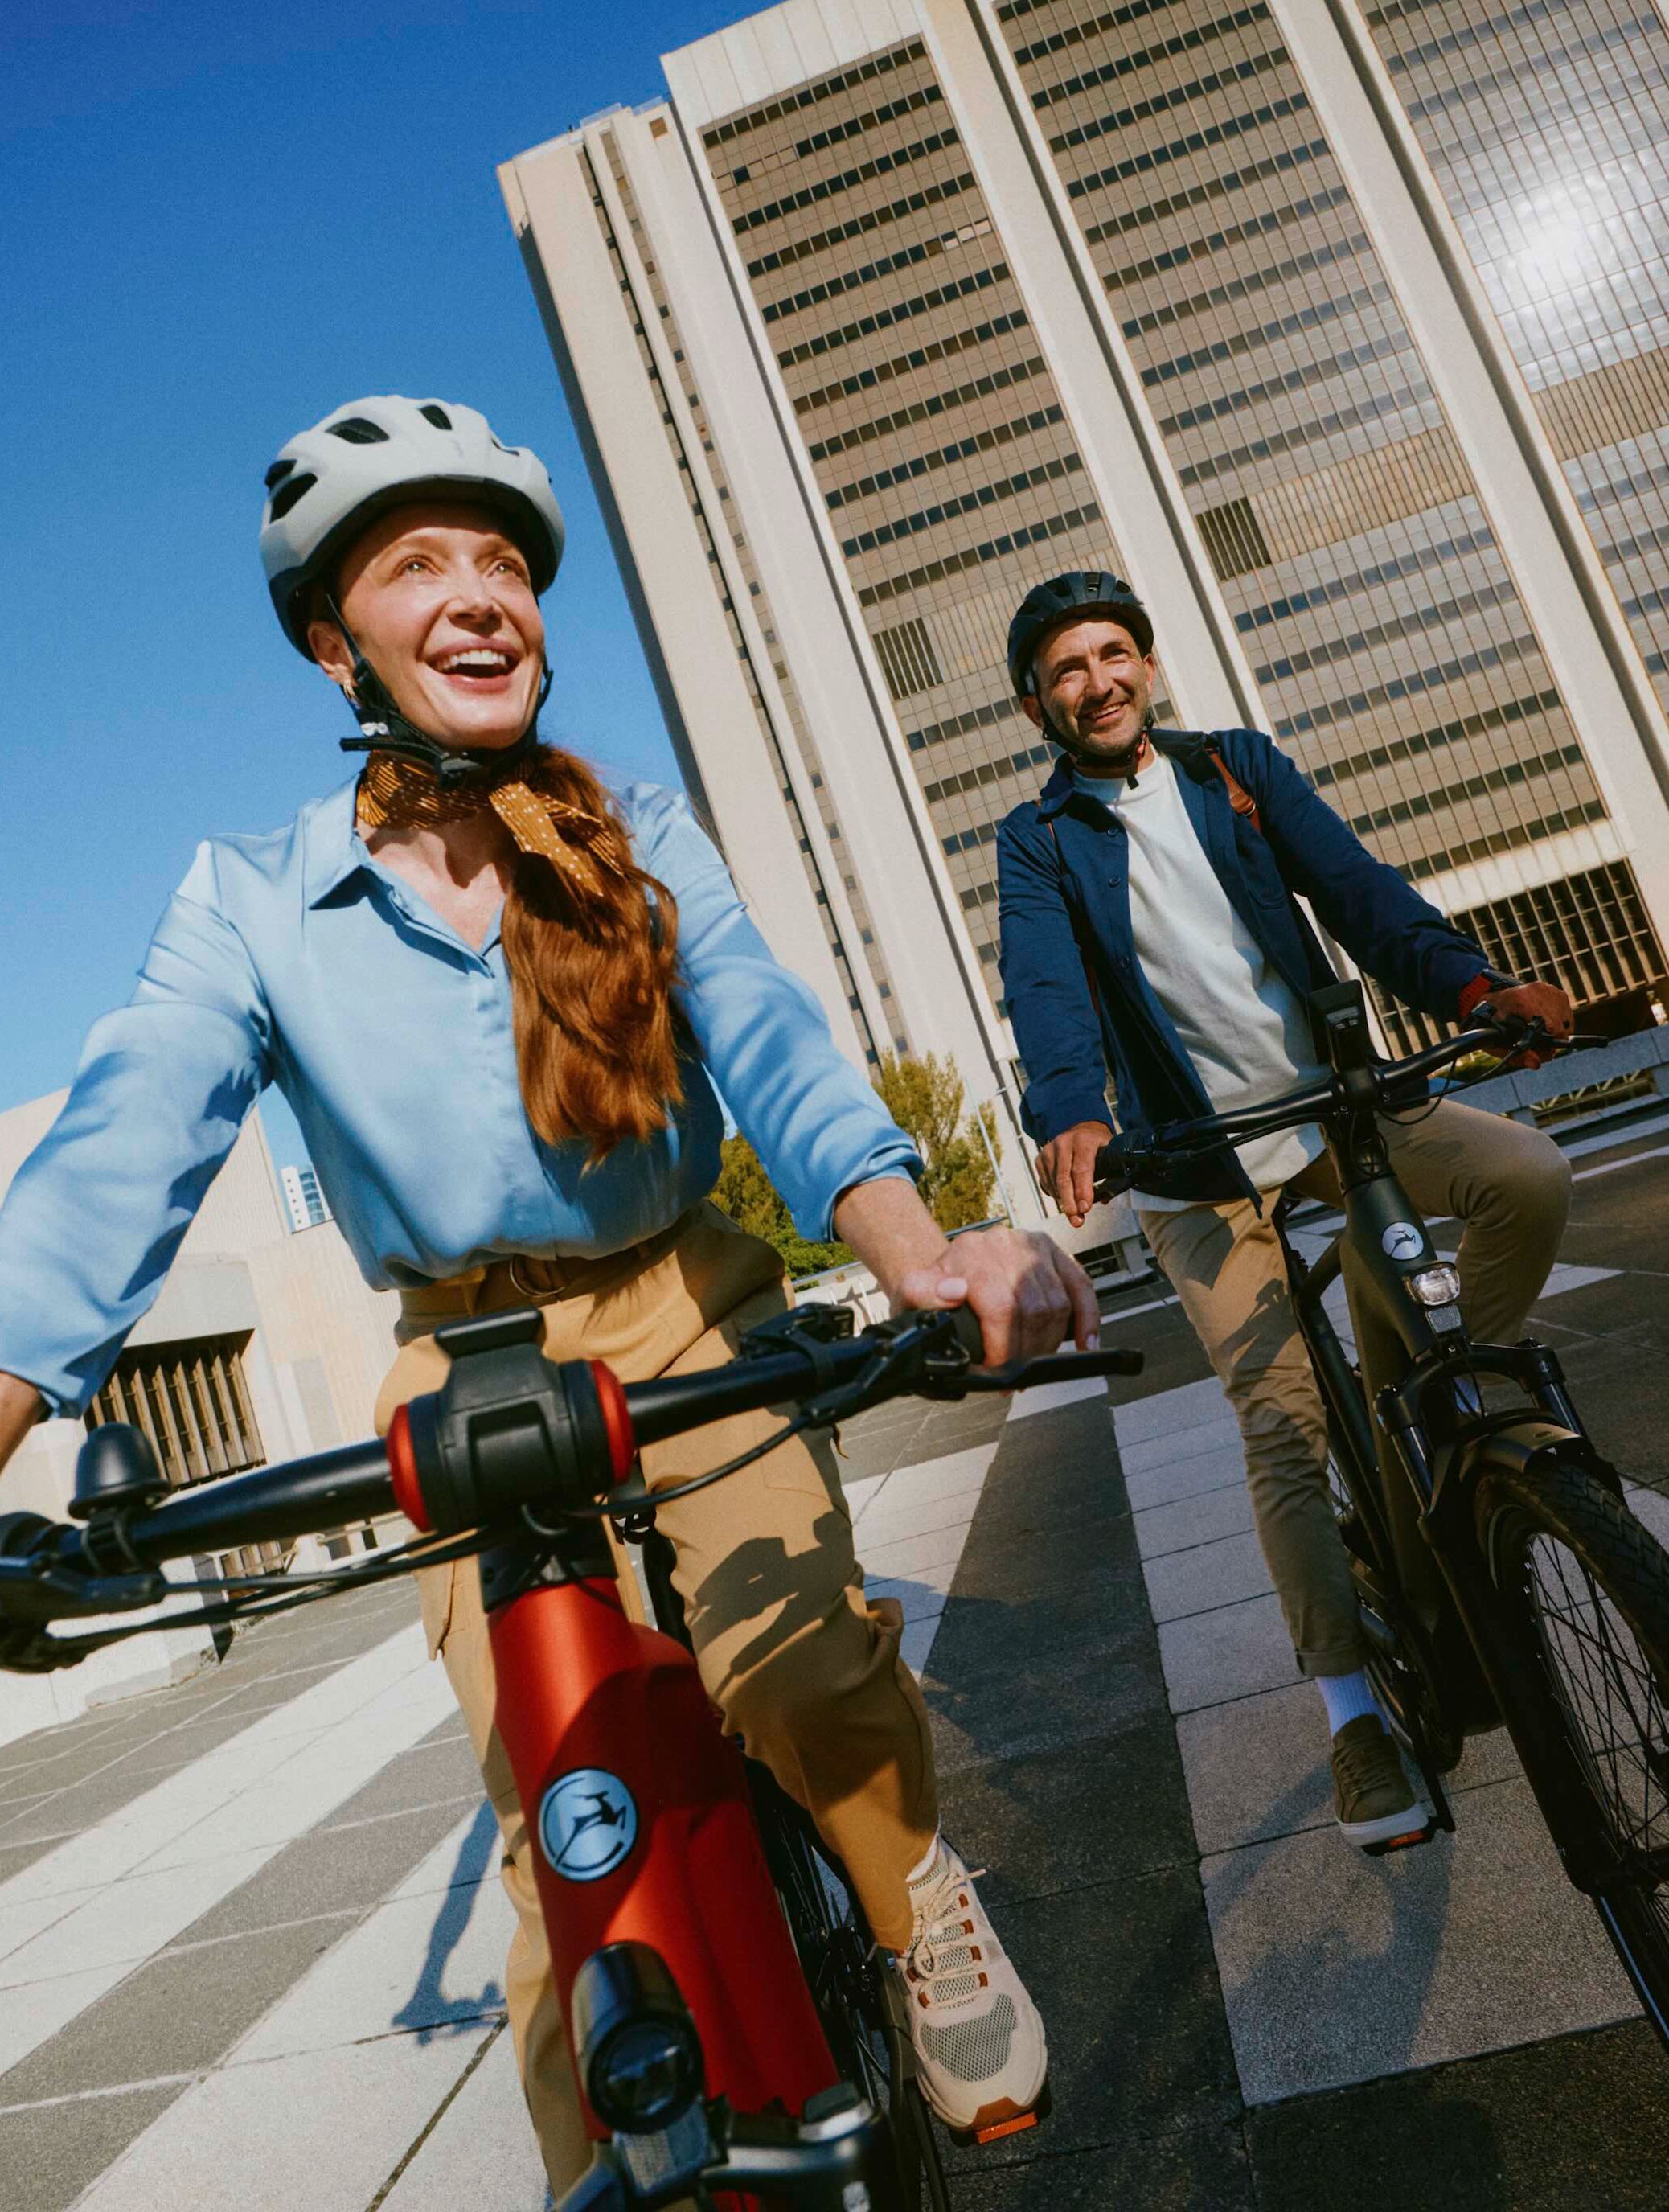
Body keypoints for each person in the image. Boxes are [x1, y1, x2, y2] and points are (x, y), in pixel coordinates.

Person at [0, 398, 1100, 2187]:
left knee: (799, 1665)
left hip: (687, 1304)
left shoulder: (630, 825)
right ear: (328, 638)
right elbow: (119, 1156)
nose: (477, 595)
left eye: (502, 560)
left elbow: (775, 1046)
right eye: (418, 564)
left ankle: (915, 1906)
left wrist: (923, 1255)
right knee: (564, 1835)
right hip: (467, 1367)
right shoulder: (254, 903)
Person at [995, 569, 1574, 1849]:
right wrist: (1069, 1107)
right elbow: (1044, 988)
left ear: (1145, 664)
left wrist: (1476, 988)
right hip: (1196, 1160)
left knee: (1525, 1178)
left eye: (1112, 654)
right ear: (1036, 704)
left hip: (1342, 1112)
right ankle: (1353, 1712)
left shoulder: (1234, 769)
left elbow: (1359, 894)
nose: (1096, 681)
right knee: (1284, 1423)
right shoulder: (1038, 843)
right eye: (1066, 670)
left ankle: (1429, 1388)